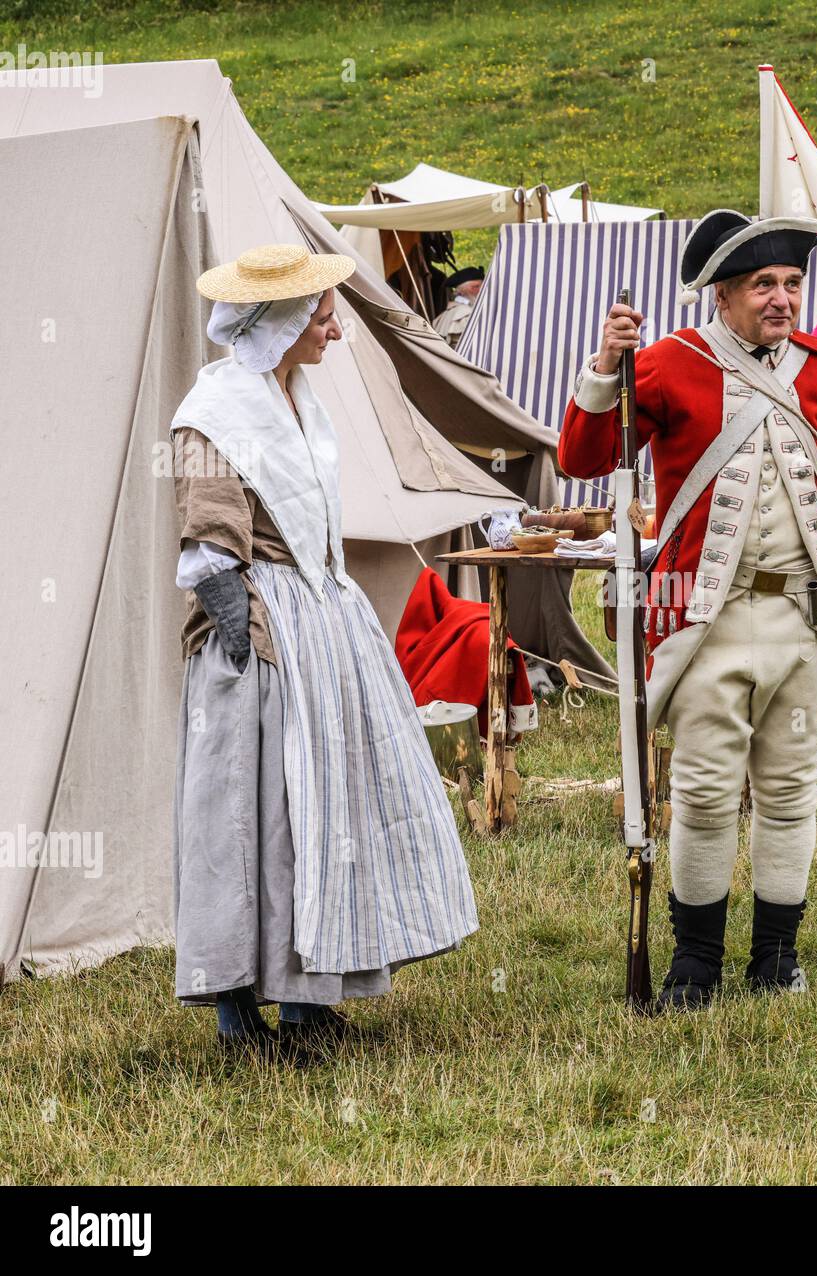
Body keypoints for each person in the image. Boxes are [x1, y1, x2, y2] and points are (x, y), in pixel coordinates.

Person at [559, 210, 817, 1010]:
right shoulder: (669, 363)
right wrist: (607, 366)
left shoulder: (816, 367)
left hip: (801, 618)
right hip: (708, 617)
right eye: (762, 286)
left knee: (789, 790)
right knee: (705, 794)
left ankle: (777, 957)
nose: (781, 299)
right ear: (725, 295)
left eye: (790, 283)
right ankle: (695, 964)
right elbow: (583, 455)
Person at [171, 243, 478, 1059]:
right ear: (278, 321)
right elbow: (208, 555)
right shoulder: (212, 415)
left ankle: (309, 1002)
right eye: (321, 314)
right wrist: (249, 656)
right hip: (263, 643)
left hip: (325, 626)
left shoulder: (297, 396)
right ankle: (241, 1016)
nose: (334, 331)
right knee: (256, 818)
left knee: (327, 813)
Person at [432, 265, 484, 349]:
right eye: (476, 287)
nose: (481, 290)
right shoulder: (466, 314)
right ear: (461, 291)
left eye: (482, 286)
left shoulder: (451, 312)